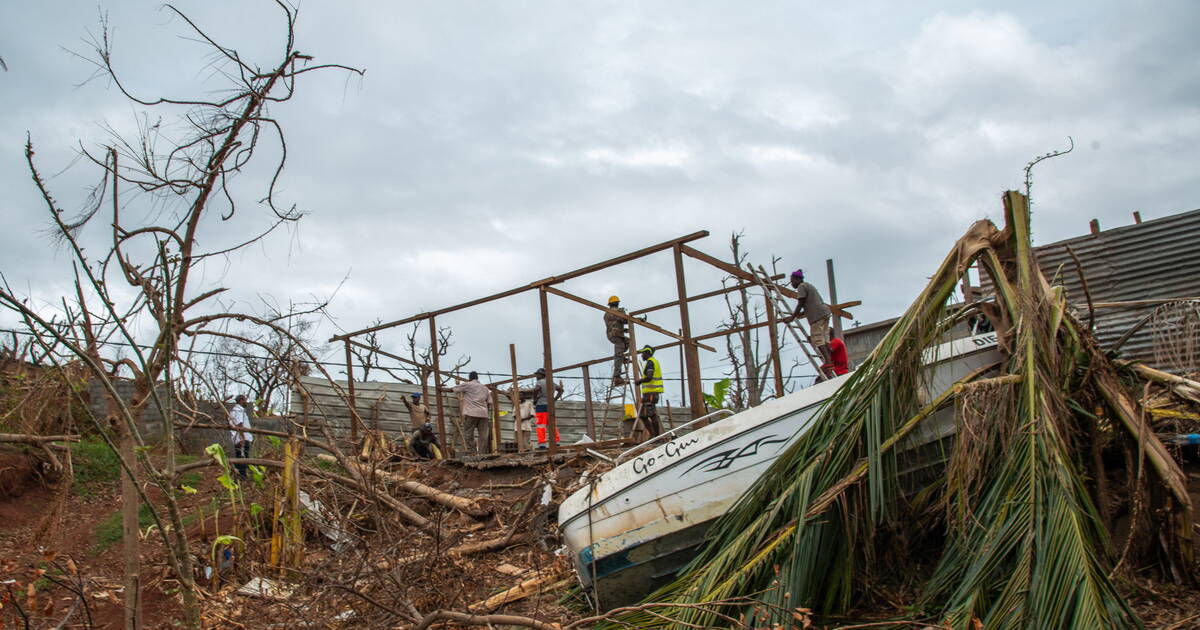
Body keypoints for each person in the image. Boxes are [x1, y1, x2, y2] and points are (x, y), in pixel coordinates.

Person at [785, 269, 833, 368]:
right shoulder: (809, 285)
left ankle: (828, 362)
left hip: (817, 316)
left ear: (798, 279)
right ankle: (830, 361)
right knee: (825, 338)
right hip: (825, 312)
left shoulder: (801, 287)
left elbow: (800, 303)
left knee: (818, 339)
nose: (792, 283)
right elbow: (809, 303)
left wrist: (792, 318)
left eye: (792, 281)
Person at [446, 371, 492, 455]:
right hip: (483, 414)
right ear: (477, 378)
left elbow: (452, 389)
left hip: (471, 413)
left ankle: (472, 451)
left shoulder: (468, 385)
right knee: (483, 435)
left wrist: (441, 389)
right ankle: (482, 453)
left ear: (470, 378)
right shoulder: (485, 388)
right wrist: (486, 413)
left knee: (468, 433)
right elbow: (489, 403)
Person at [521, 367, 563, 449]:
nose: (536, 376)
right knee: (552, 425)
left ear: (541, 375)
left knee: (541, 425)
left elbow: (536, 390)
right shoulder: (552, 382)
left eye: (537, 375)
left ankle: (542, 444)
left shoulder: (540, 382)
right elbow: (561, 390)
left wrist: (535, 399)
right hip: (550, 406)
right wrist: (554, 399)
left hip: (541, 406)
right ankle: (556, 442)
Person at [634, 345, 664, 437]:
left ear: (647, 353)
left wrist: (639, 381)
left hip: (652, 392)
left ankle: (656, 436)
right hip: (648, 393)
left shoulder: (651, 362)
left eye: (643, 353)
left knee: (651, 414)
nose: (642, 355)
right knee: (643, 415)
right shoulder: (650, 362)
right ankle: (653, 435)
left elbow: (649, 377)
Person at [604, 295, 630, 385]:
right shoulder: (611, 313)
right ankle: (617, 377)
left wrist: (624, 330)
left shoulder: (610, 313)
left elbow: (616, 324)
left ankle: (621, 358)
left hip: (617, 334)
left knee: (627, 341)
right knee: (619, 351)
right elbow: (623, 320)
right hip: (615, 335)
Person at [228, 394, 253, 479]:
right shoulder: (238, 411)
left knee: (241, 457)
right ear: (241, 400)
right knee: (242, 457)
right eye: (245, 400)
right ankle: (242, 476)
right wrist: (242, 438)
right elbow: (240, 424)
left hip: (239, 438)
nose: (246, 402)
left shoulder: (236, 410)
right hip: (242, 438)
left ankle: (240, 475)